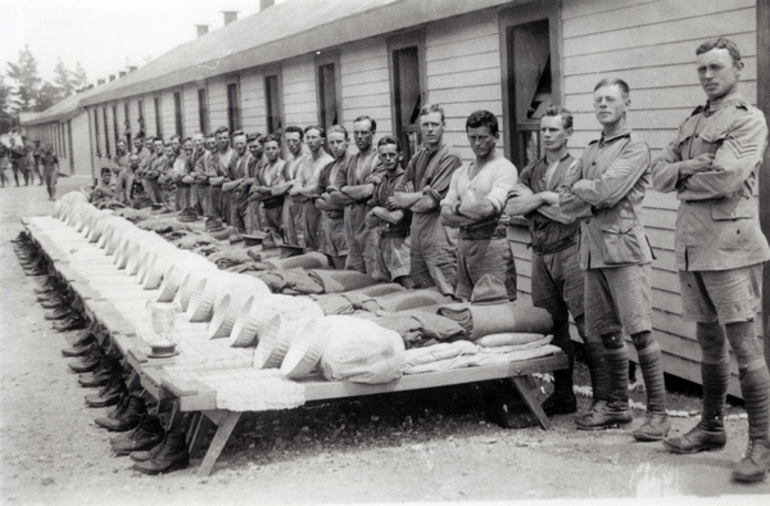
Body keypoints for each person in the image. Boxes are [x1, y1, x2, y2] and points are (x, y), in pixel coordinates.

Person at [651, 38, 770, 483]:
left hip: (730, 246)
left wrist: (681, 175)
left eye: (716, 67)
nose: (707, 75)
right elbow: (656, 172)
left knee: (743, 344)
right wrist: (685, 167)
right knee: (708, 341)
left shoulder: (749, 120)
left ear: (737, 69)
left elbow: (726, 177)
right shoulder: (692, 120)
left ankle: (761, 442)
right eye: (700, 68)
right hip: (693, 246)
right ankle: (712, 427)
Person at [558, 78, 668, 441]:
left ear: (626, 103)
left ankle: (658, 414)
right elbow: (564, 200)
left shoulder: (635, 148)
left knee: (640, 330)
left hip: (624, 252)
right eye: (598, 100)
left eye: (610, 99)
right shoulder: (590, 149)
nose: (603, 105)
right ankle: (618, 406)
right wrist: (589, 193)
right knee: (605, 332)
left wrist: (586, 191)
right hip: (592, 251)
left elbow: (609, 190)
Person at [506, 106, 611, 417]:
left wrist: (533, 201)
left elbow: (570, 213)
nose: (547, 134)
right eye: (544, 129)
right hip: (540, 254)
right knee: (553, 326)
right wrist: (543, 198)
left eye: (554, 129)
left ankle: (603, 399)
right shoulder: (531, 170)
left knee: (588, 324)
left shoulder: (577, 168)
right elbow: (512, 208)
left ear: (569, 133)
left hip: (571, 251)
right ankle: (564, 395)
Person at [440, 110, 517, 301]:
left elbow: (488, 209)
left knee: (494, 307)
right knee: (464, 305)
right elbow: (444, 216)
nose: (477, 143)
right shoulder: (460, 172)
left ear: (496, 137)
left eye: (483, 137)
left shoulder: (503, 167)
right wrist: (472, 213)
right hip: (464, 246)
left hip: (490, 244)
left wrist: (457, 207)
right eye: (472, 137)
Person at [391, 104, 461, 297]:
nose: (430, 129)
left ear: (443, 126)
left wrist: (411, 199)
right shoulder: (417, 158)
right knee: (423, 291)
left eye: (435, 124)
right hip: (418, 235)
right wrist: (421, 193)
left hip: (440, 236)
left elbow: (429, 203)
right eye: (425, 125)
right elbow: (396, 196)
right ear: (419, 127)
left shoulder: (450, 156)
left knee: (447, 291)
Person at [330, 115, 381, 273]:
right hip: (350, 227)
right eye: (356, 133)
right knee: (354, 273)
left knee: (374, 272)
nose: (359, 137)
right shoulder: (349, 162)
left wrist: (346, 189)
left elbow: (370, 191)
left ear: (373, 133)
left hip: (371, 227)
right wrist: (357, 192)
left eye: (364, 132)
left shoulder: (379, 160)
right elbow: (333, 194)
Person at [365, 135, 412, 287]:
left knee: (406, 285)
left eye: (392, 154)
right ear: (379, 157)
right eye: (384, 155)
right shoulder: (381, 182)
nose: (388, 159)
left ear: (401, 155)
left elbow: (397, 217)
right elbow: (368, 221)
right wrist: (381, 212)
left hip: (402, 242)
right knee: (384, 287)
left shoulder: (406, 180)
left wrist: (377, 210)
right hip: (382, 242)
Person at [288, 125, 334, 251]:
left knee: (322, 246)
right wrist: (301, 189)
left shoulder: (328, 161)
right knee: (308, 245)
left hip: (322, 210)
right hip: (306, 209)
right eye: (308, 137)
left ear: (323, 140)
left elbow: (317, 188)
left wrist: (301, 190)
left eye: (314, 137)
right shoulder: (306, 160)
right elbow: (298, 182)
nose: (311, 141)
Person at [315, 125, 350, 268]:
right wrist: (331, 202)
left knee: (348, 269)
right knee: (333, 265)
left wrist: (329, 199)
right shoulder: (327, 168)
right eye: (332, 143)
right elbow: (316, 199)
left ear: (347, 141)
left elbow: (351, 200)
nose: (336, 146)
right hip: (329, 224)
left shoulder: (353, 165)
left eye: (339, 142)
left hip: (347, 225)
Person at [250, 133, 287, 239]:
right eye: (268, 149)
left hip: (281, 211)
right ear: (264, 150)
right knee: (270, 241)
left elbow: (283, 192)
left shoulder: (284, 166)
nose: (271, 151)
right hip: (266, 212)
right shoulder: (262, 169)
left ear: (279, 149)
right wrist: (272, 191)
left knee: (285, 240)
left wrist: (263, 190)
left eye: (274, 148)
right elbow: (253, 194)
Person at [282, 125, 312, 247]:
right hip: (288, 204)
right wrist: (289, 184)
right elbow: (276, 188)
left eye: (294, 140)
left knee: (302, 237)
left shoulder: (308, 160)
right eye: (288, 141)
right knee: (290, 237)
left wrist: (287, 186)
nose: (291, 144)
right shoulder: (288, 163)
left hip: (302, 204)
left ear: (302, 141)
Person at [222, 131, 251, 238]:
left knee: (250, 233)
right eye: (237, 144)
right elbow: (225, 186)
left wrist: (233, 184)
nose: (239, 146)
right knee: (238, 234)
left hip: (247, 202)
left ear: (246, 143)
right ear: (232, 145)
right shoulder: (233, 161)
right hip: (235, 202)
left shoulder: (250, 159)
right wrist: (239, 181)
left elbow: (251, 180)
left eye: (242, 143)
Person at [208, 127, 237, 221]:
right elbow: (212, 181)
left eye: (225, 138)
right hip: (217, 197)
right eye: (219, 138)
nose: (222, 141)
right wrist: (225, 179)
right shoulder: (212, 158)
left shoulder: (236, 155)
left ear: (229, 139)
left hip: (234, 197)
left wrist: (220, 179)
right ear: (215, 140)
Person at [244, 133, 265, 233]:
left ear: (262, 146)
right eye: (250, 147)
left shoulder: (266, 160)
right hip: (254, 199)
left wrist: (247, 181)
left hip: (265, 201)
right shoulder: (252, 160)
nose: (252, 149)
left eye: (255, 146)